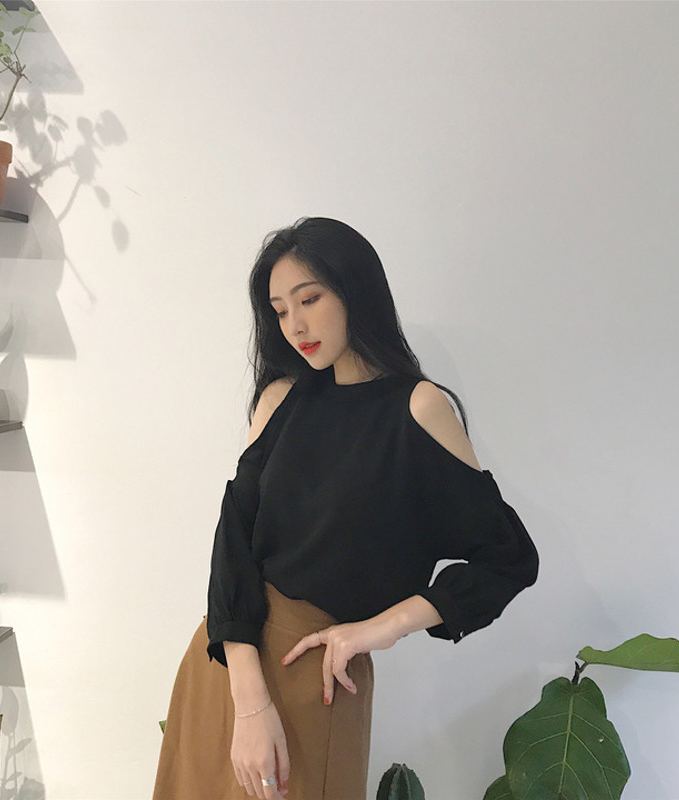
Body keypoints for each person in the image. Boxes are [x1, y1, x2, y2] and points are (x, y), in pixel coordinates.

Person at [152, 217, 538, 800]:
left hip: (318, 677)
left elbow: (508, 559)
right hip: (229, 667)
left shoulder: (418, 408)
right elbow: (232, 544)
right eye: (280, 310)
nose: (295, 325)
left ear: (356, 291)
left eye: (309, 299)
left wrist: (384, 627)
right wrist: (249, 700)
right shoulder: (279, 400)